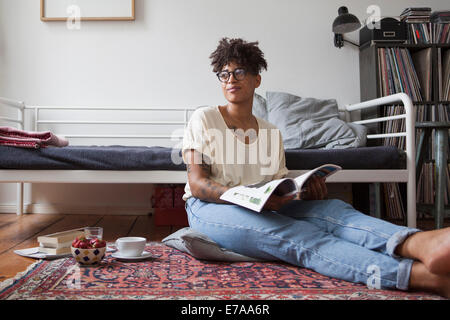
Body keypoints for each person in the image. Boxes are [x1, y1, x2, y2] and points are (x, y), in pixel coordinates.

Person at [181, 37, 450, 298]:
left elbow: (278, 188)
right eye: (224, 74)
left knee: (335, 209)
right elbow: (198, 184)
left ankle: (420, 244)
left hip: (261, 206)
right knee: (300, 235)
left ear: (256, 79)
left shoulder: (272, 133)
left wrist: (300, 194)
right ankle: (420, 276)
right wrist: (243, 197)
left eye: (239, 71)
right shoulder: (205, 118)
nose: (231, 79)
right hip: (211, 207)